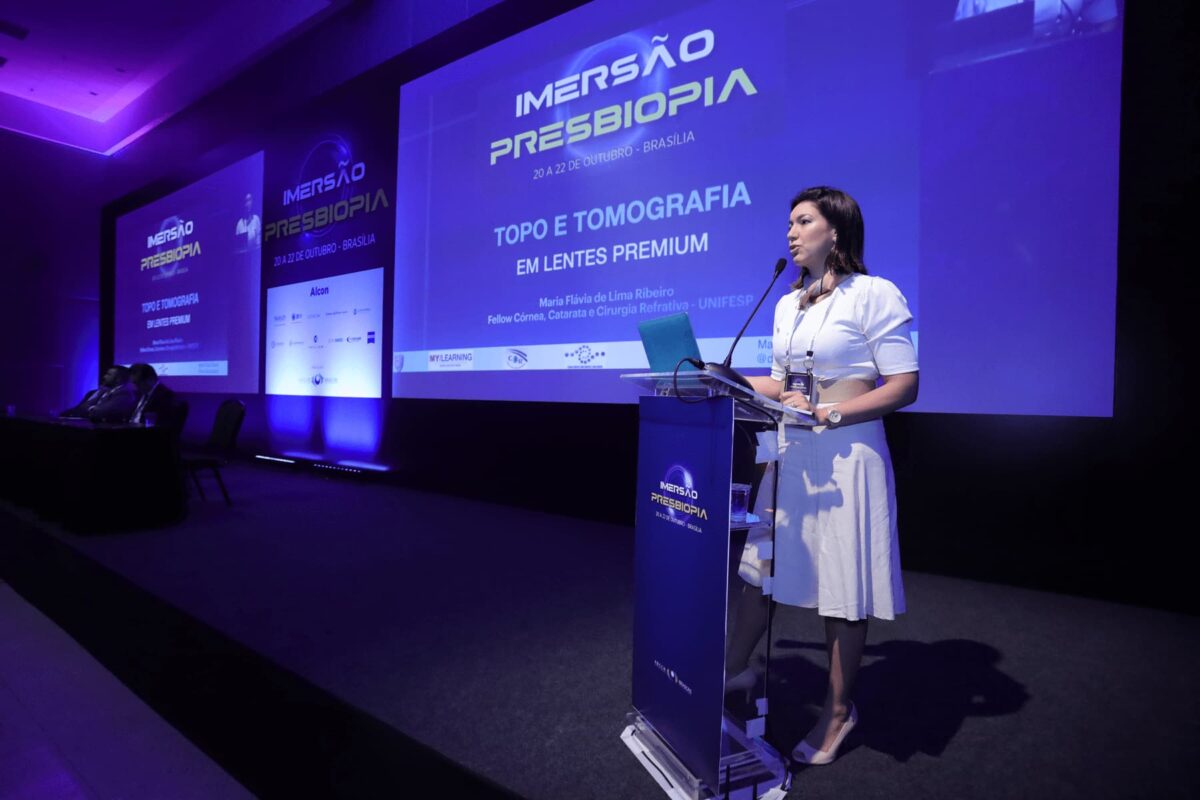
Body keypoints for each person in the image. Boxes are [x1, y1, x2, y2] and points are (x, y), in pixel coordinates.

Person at [727, 186, 919, 766]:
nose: (791, 232)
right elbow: (780, 382)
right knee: (760, 571)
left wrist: (829, 412)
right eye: (789, 222)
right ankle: (729, 673)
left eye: (803, 221)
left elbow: (904, 385)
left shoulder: (874, 294)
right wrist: (718, 377)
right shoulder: (789, 303)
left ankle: (837, 712)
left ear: (835, 230)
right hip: (790, 453)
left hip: (847, 454)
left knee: (842, 591)